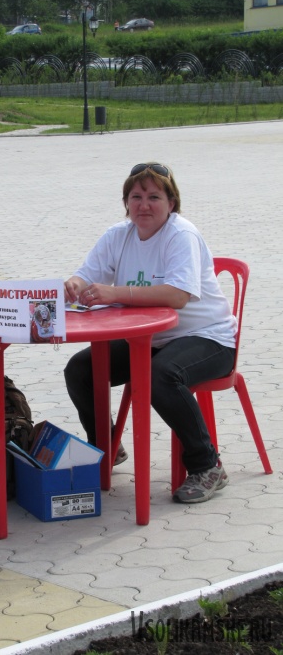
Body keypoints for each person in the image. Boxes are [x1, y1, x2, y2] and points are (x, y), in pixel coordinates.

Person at [63, 162, 237, 504]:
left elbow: (178, 296)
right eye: (136, 197)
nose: (144, 205)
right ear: (126, 202)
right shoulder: (118, 235)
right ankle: (107, 445)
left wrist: (115, 293)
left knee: (160, 375)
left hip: (209, 338)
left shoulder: (181, 234)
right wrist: (75, 284)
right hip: (150, 339)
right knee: (80, 369)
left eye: (154, 197)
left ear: (171, 203)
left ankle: (207, 466)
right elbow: (87, 274)